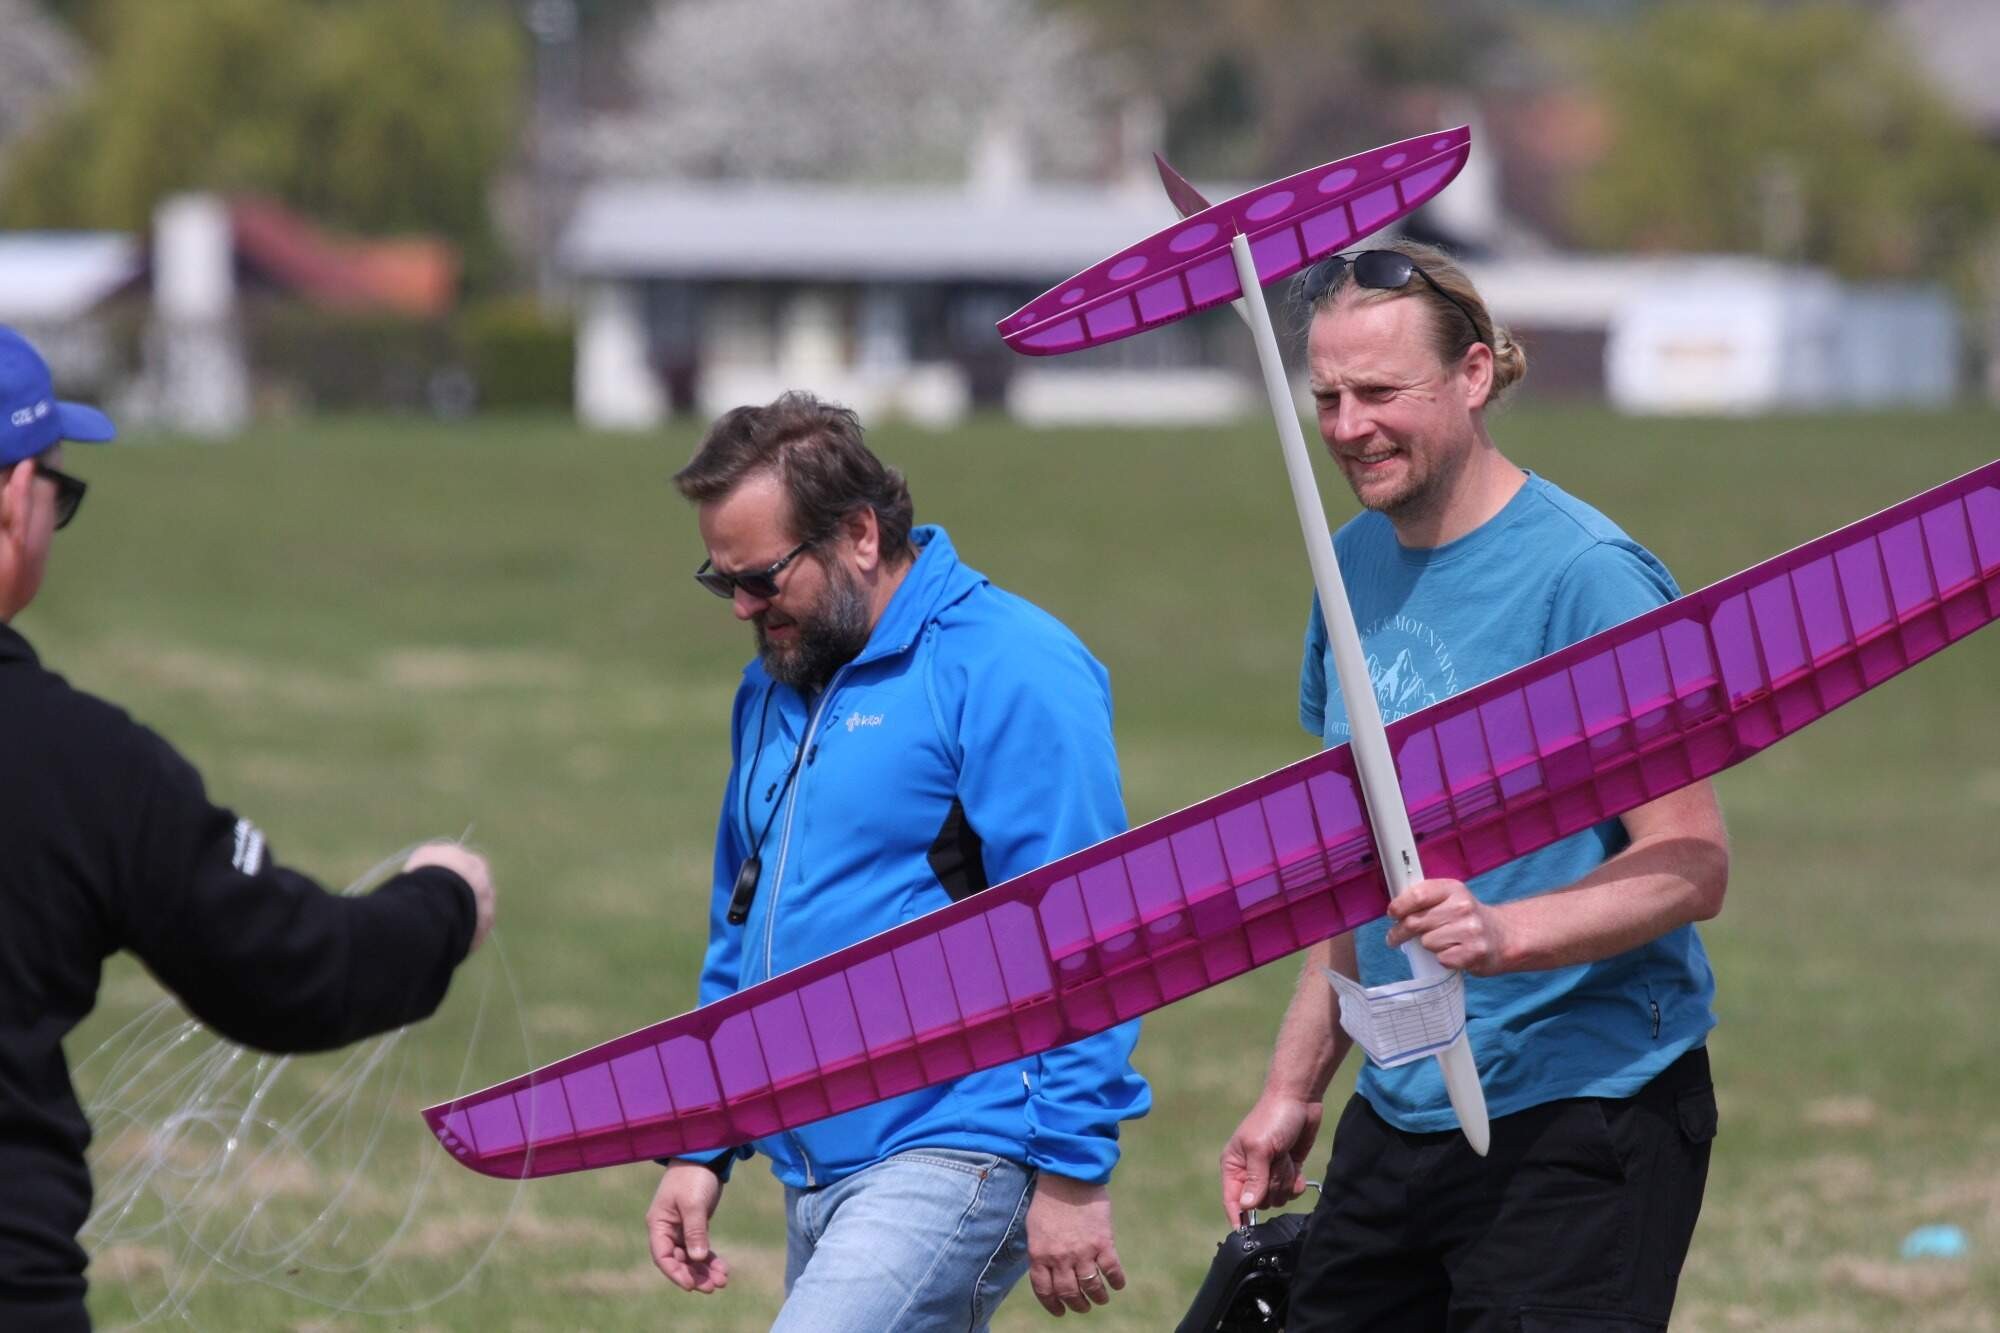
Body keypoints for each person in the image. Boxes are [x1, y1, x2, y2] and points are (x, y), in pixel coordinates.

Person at [1218, 242, 1729, 1331]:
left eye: (1379, 392)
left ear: (1473, 375)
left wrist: (1503, 934)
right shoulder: (1348, 566)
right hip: (1400, 1109)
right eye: (1327, 397)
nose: (1348, 427)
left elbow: (1690, 862)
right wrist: (1294, 1086)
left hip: (1581, 1117)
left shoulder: (1588, 579)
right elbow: (1358, 869)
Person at [0, 326, 498, 1333]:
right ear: (15, 493)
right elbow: (290, 968)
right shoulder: (79, 760)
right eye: (60, 488)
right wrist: (444, 900)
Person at [646, 392, 1150, 1330]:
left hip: (961, 1141)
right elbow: (741, 926)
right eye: (724, 582)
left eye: (762, 577)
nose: (744, 607)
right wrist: (701, 1141)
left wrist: (1075, 1168)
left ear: (860, 535)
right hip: (816, 1166)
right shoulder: (773, 687)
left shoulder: (1009, 665)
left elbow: (1090, 926)